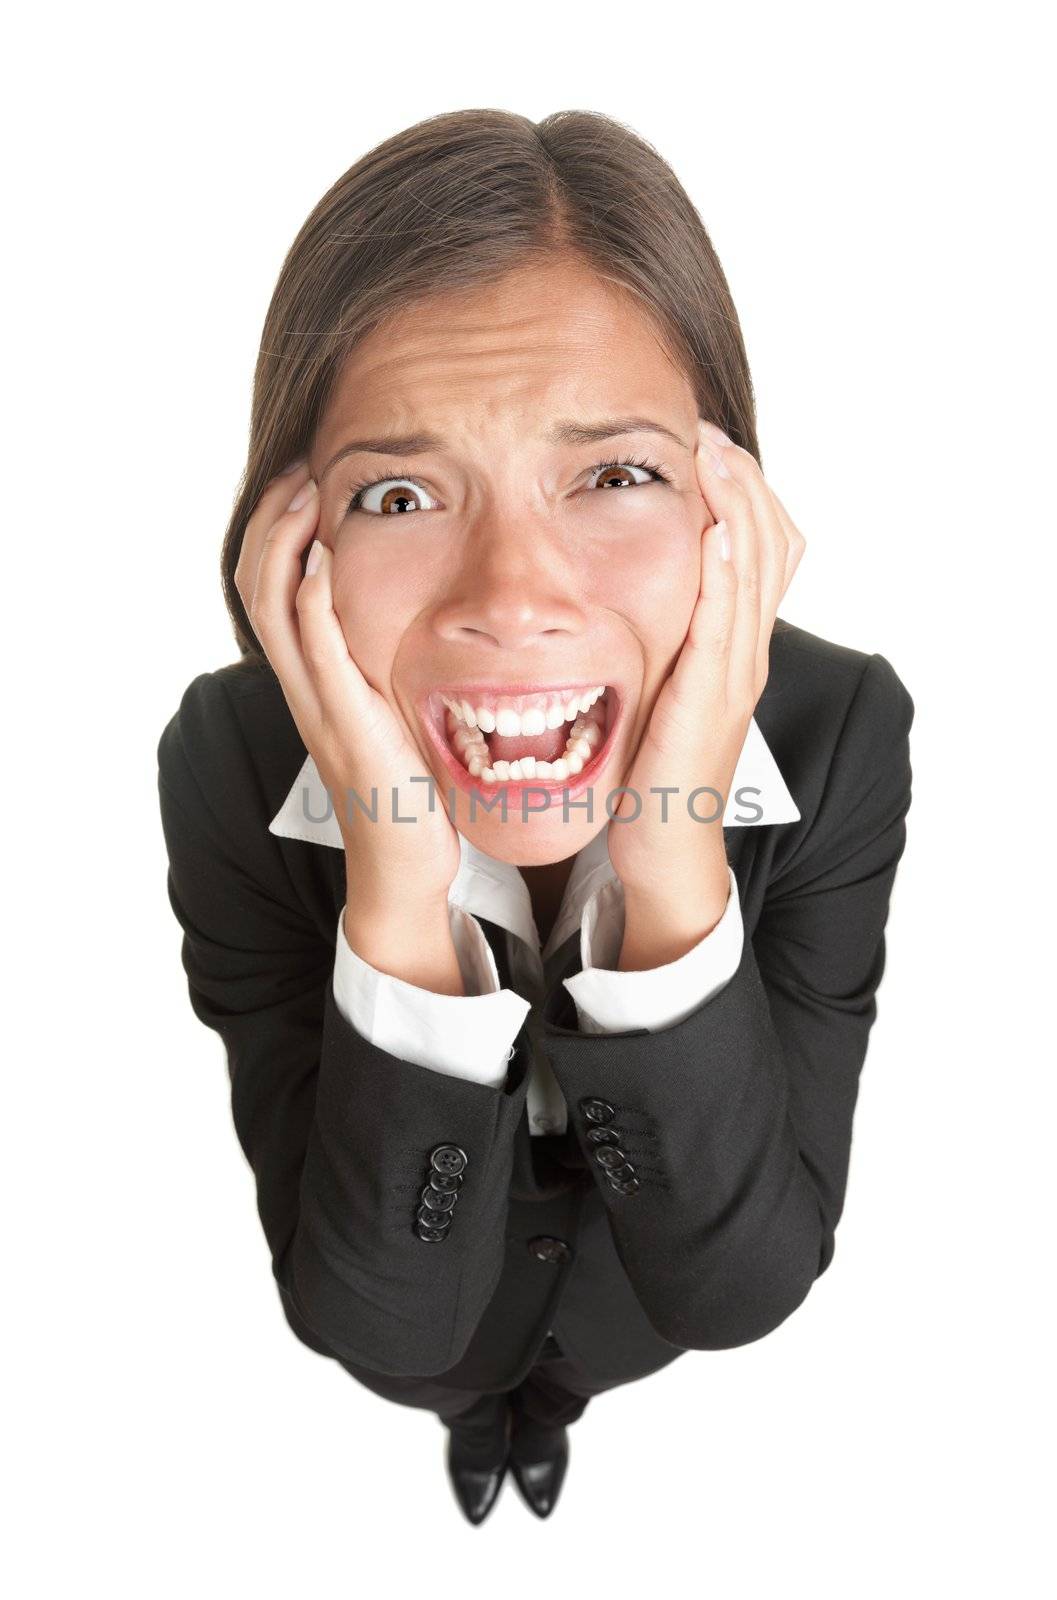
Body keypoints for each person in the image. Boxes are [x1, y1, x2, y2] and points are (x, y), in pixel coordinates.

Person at [156, 108, 915, 1526]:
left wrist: (672, 846)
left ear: (725, 513)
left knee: (560, 1378)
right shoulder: (226, 759)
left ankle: (543, 1420)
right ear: (295, 544)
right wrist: (393, 881)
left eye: (614, 474)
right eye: (398, 493)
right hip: (420, 1310)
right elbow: (372, 1316)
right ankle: (484, 1429)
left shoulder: (839, 731)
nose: (511, 593)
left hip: (632, 1306)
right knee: (457, 1380)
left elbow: (741, 1282)